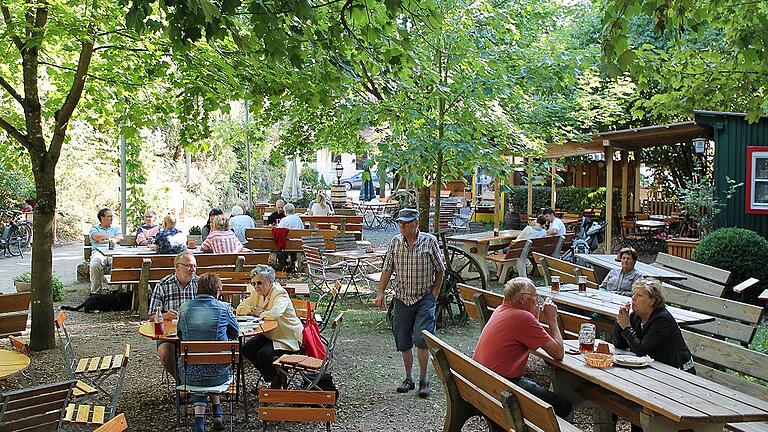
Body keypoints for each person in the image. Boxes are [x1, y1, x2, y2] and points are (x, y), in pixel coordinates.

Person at [472, 277, 572, 419]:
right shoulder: (521, 317)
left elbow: (527, 338)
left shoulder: (502, 309)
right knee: (563, 405)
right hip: (500, 388)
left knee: (535, 387)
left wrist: (534, 315)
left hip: (484, 381)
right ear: (522, 298)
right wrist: (552, 319)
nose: (537, 300)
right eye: (534, 296)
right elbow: (558, 353)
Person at [375, 208, 445, 398]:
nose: (402, 226)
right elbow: (387, 268)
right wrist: (380, 292)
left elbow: (440, 269)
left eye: (406, 223)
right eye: (400, 223)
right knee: (403, 340)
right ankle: (409, 379)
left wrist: (435, 293)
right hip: (402, 297)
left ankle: (424, 380)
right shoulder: (395, 243)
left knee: (422, 339)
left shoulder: (429, 241)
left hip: (424, 297)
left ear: (416, 223)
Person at [614, 277, 695, 432]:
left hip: (678, 375)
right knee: (626, 400)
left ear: (652, 300)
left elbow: (642, 350)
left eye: (639, 295)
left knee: (641, 405)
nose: (633, 299)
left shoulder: (662, 319)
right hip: (656, 371)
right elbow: (620, 345)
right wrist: (620, 322)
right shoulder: (637, 316)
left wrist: (626, 327)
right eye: (633, 294)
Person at [177, 273, 239, 432]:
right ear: (217, 291)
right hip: (219, 374)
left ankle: (199, 421)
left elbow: (180, 336)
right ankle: (217, 413)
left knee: (198, 364)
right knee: (212, 362)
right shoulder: (224, 308)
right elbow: (235, 334)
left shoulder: (184, 308)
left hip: (189, 375)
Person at [237, 265, 303, 389]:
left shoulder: (280, 293)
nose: (256, 286)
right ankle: (275, 375)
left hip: (287, 336)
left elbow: (275, 313)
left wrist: (259, 313)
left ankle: (275, 383)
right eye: (254, 283)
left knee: (263, 355)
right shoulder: (256, 293)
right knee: (247, 349)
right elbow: (240, 308)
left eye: (260, 282)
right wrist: (252, 309)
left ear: (270, 282)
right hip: (270, 333)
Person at [148, 251, 199, 377]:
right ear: (177, 267)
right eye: (188, 266)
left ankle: (200, 382)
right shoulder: (163, 285)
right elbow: (151, 316)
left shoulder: (200, 283)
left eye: (194, 266)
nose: (191, 269)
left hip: (197, 331)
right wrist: (164, 316)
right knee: (165, 352)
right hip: (170, 334)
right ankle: (181, 382)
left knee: (216, 346)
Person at [89, 208, 124, 294]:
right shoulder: (94, 229)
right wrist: (111, 238)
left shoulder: (115, 229)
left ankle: (114, 291)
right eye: (109, 216)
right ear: (102, 218)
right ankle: (95, 293)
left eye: (112, 216)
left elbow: (120, 237)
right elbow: (96, 236)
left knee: (119, 263)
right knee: (94, 265)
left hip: (114, 252)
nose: (111, 218)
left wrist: (105, 239)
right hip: (99, 253)